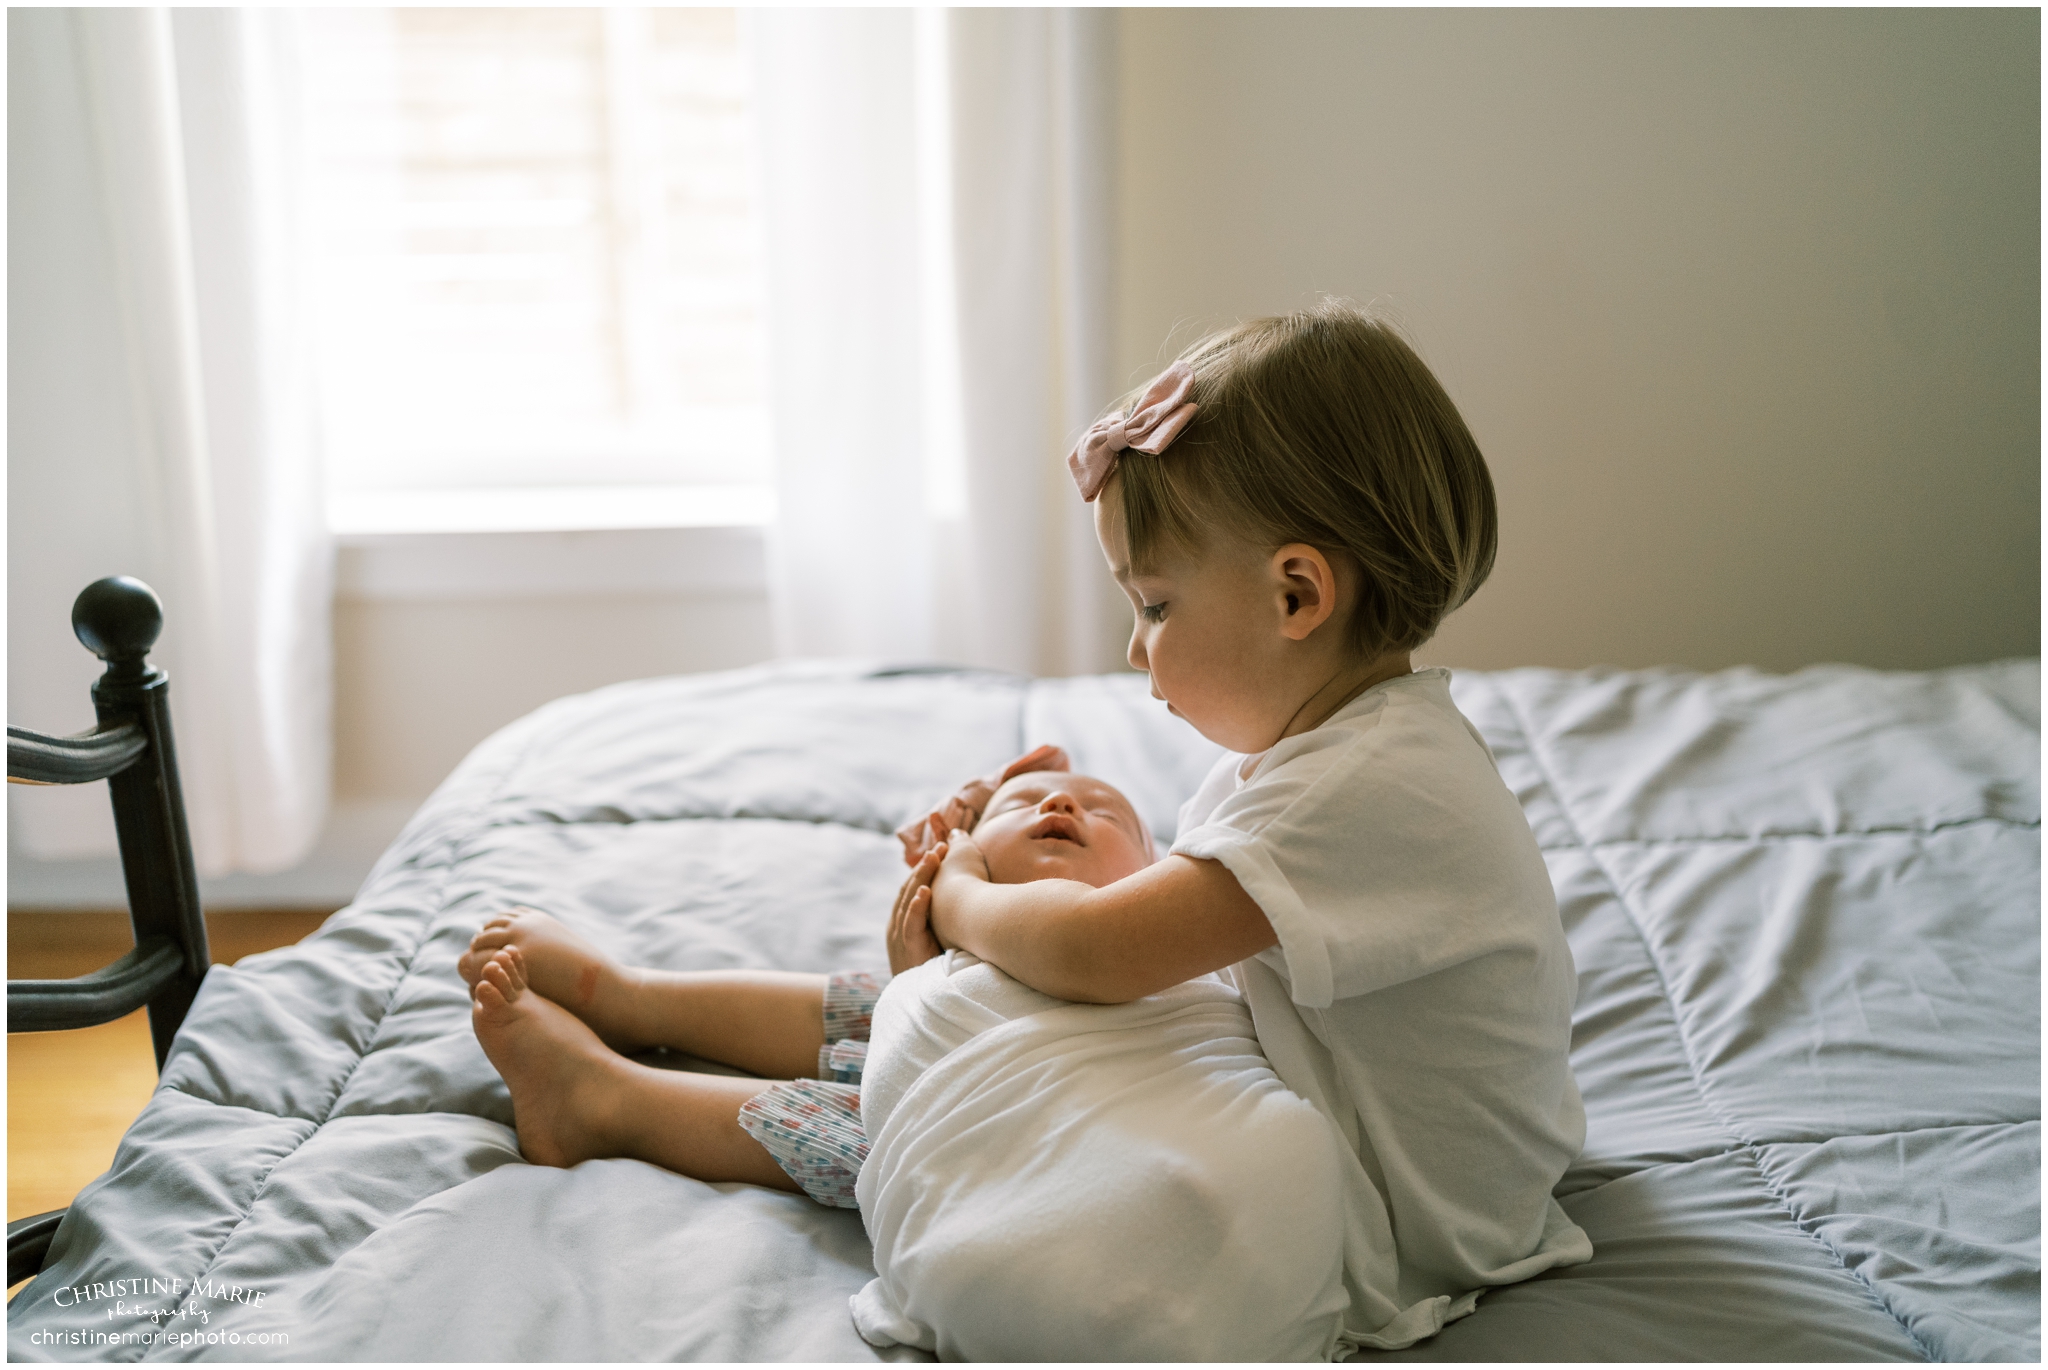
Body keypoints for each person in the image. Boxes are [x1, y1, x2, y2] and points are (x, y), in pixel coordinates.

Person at [912, 299, 1591, 1345]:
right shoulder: (1355, 746)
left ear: (1295, 593)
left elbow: (1102, 951)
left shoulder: (1359, 787)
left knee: (992, 1050)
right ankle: (656, 1032)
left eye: (1154, 605)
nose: (1135, 650)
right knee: (985, 1015)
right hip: (1372, 1147)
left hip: (1390, 1219)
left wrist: (962, 897)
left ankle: (634, 1092)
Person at [460, 755, 1155, 1208]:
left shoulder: (1167, 949)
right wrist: (920, 969)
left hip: (1030, 1144)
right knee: (872, 1010)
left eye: (1109, 814)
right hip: (960, 1053)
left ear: (1155, 875)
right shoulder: (974, 923)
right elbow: (931, 1033)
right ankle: (632, 999)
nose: (1062, 803)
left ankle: (601, 1101)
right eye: (1021, 806)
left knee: (881, 1135)